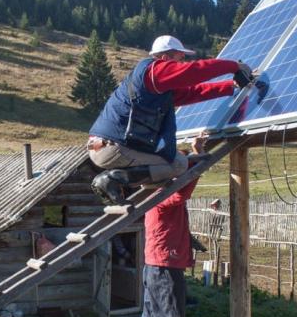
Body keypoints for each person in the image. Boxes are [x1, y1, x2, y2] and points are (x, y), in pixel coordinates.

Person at [87, 34, 265, 205]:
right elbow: (194, 72)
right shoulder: (154, 71)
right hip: (114, 148)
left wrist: (229, 85)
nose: (181, 63)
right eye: (179, 59)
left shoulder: (155, 86)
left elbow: (192, 93)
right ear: (164, 57)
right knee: (179, 164)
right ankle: (111, 179)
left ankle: (136, 180)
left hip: (105, 146)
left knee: (171, 164)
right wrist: (233, 66)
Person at [134, 134, 207, 317]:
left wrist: (194, 155)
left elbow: (181, 185)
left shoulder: (154, 194)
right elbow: (183, 189)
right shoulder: (161, 196)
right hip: (164, 267)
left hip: (155, 266)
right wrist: (199, 159)